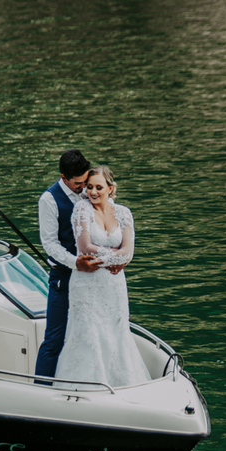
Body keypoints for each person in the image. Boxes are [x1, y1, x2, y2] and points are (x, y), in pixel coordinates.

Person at [53, 165, 152, 388]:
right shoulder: (81, 209)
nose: (93, 192)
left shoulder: (124, 213)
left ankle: (121, 384)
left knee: (116, 329)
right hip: (87, 283)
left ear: (110, 188)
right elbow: (85, 247)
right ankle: (85, 386)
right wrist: (116, 259)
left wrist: (117, 259)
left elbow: (129, 252)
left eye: (99, 187)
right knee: (88, 331)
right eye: (89, 187)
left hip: (113, 284)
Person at [35, 149, 103, 383]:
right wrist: (75, 262)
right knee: (54, 338)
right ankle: (40, 389)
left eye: (86, 181)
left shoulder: (88, 192)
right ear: (63, 177)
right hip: (63, 275)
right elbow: (50, 244)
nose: (84, 187)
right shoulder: (49, 200)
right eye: (78, 183)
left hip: (93, 276)